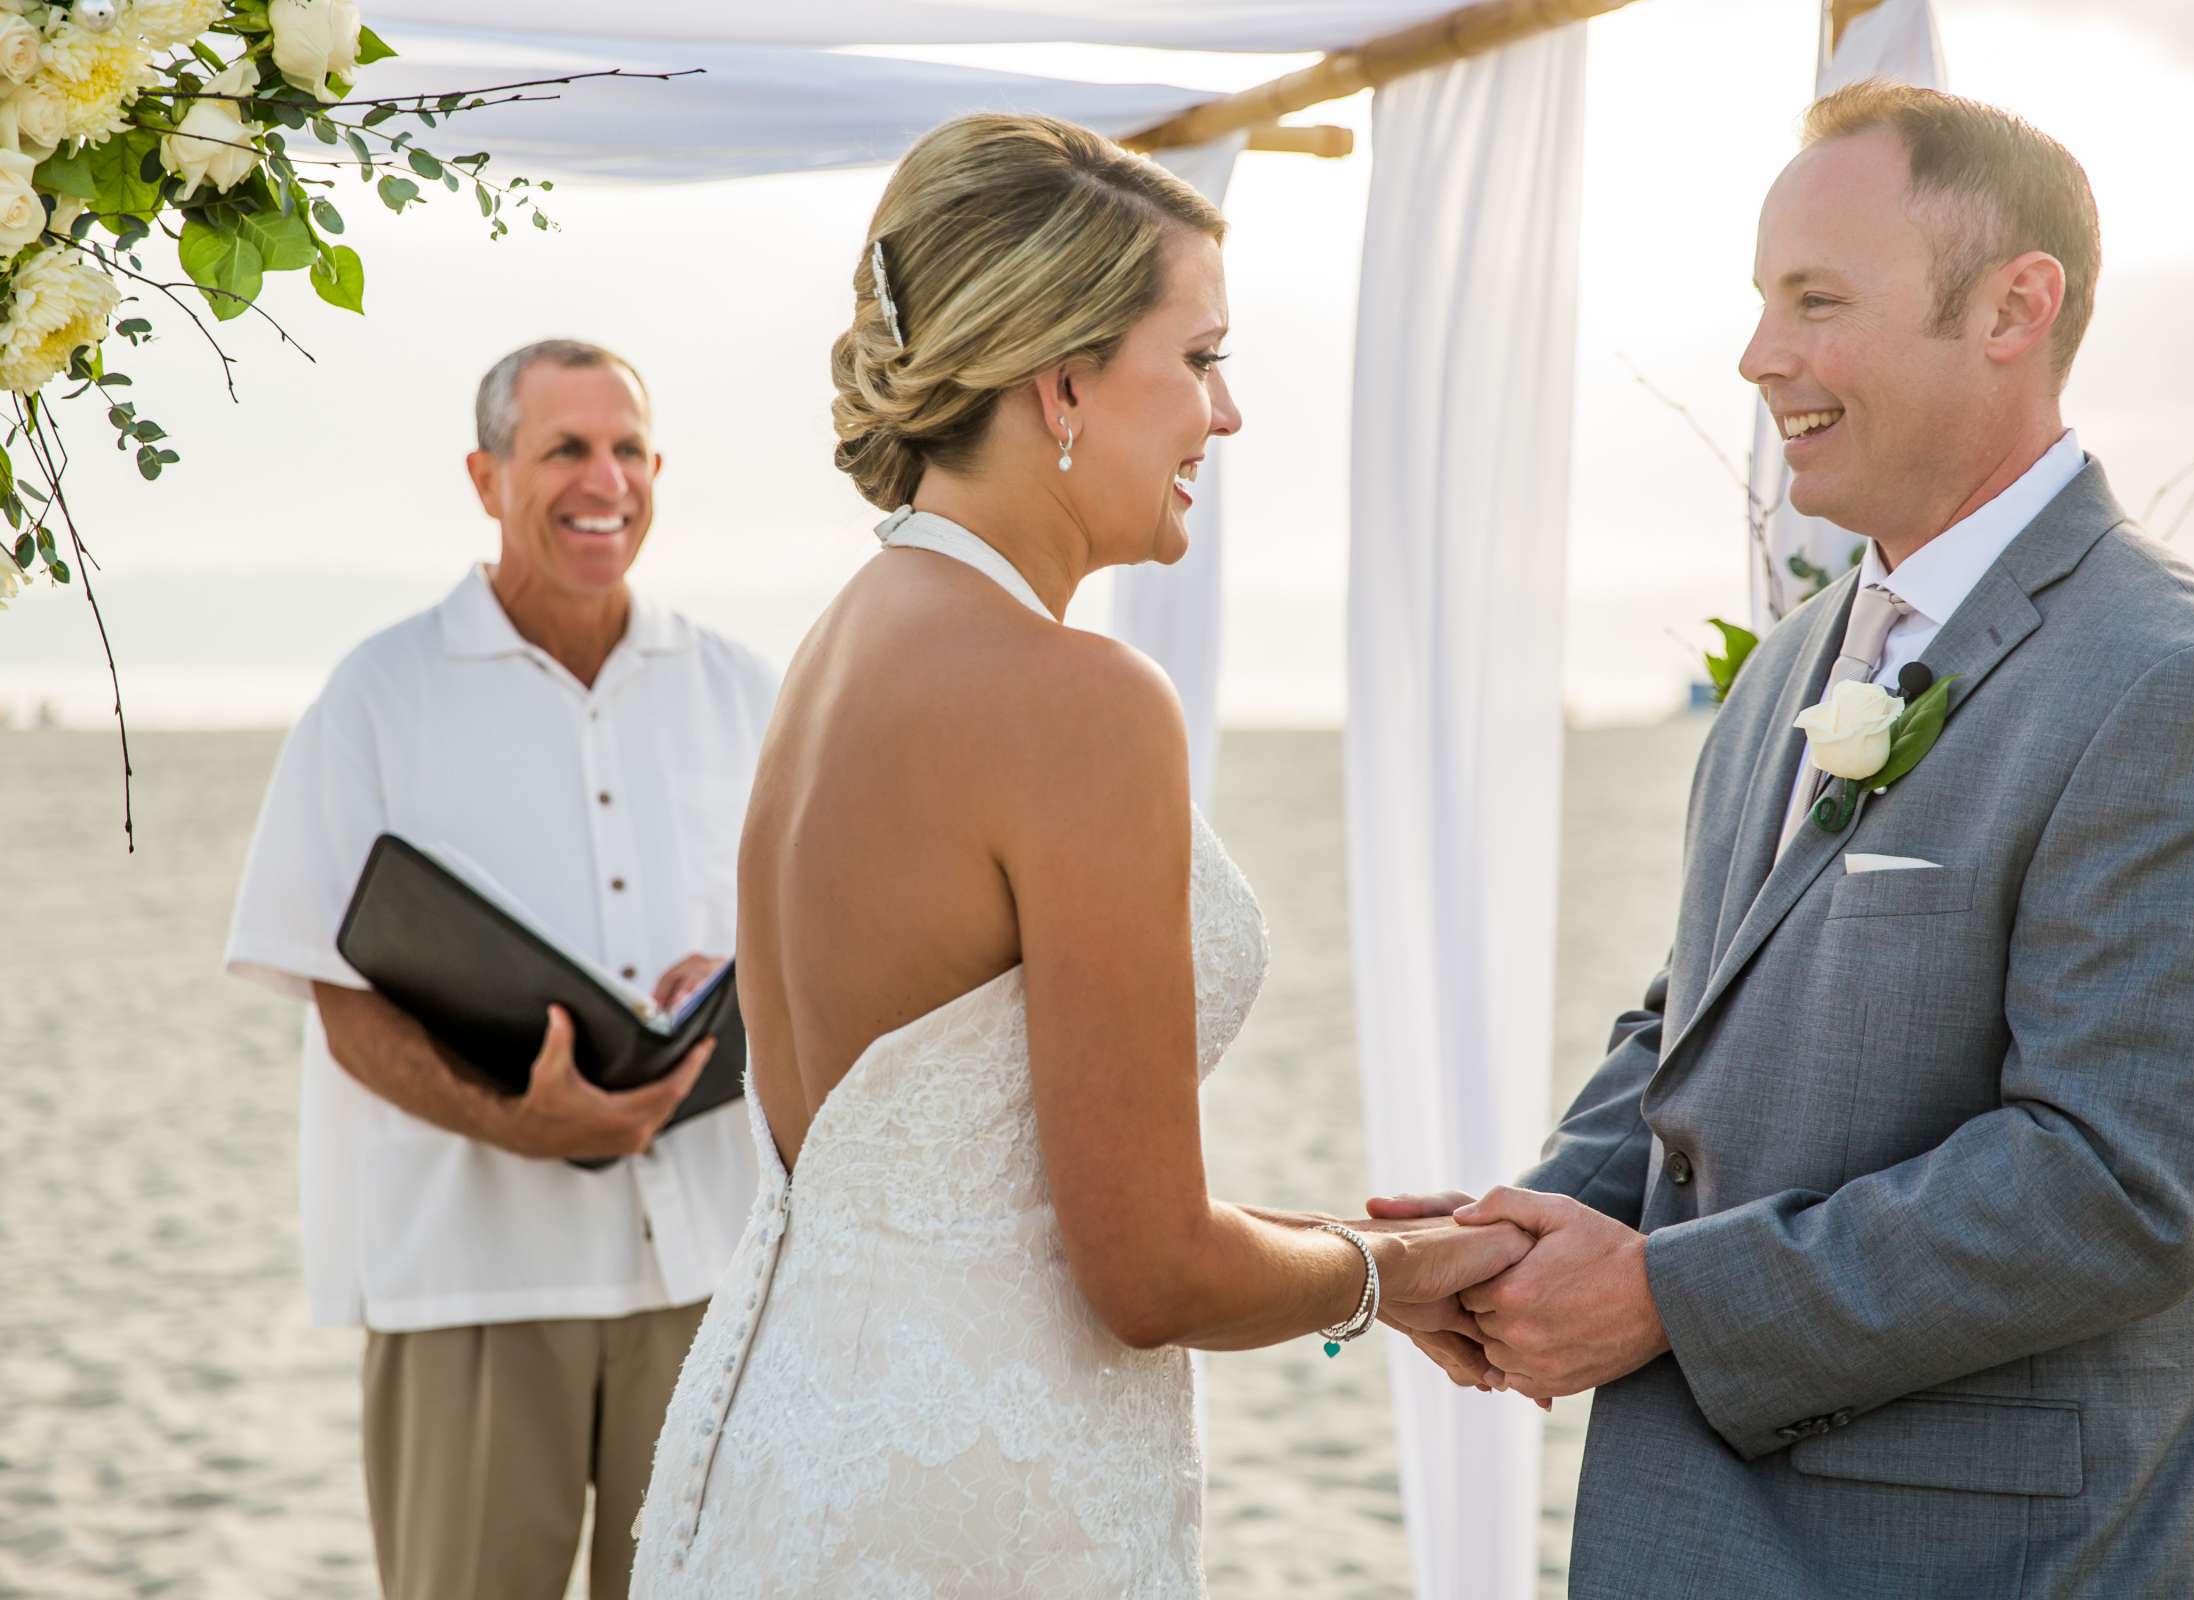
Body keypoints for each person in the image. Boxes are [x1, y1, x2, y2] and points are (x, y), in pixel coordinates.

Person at [1378, 82, 2194, 1598]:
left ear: (2017, 306)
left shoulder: (2178, 689)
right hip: (1704, 1531)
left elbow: (2117, 1184)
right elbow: (1694, 1017)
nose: (1762, 356)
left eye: (1817, 301)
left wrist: (1671, 1301)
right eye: (1764, 303)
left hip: (2001, 1557)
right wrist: (1527, 1234)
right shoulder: (1792, 664)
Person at [627, 114, 1525, 1597]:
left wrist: (1348, 1241)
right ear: (1064, 386)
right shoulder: (1078, 704)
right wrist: (1413, 1271)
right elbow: (1146, 1270)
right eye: (1202, 359)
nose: (1224, 417)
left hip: (774, 1461)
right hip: (966, 1513)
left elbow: (1009, 1197)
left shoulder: (841, 646)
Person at [223, 340, 778, 1600]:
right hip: (474, 1276)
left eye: (630, 448)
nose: (607, 479)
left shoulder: (745, 690)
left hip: (709, 1279)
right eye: (566, 448)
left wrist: (749, 964)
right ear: (486, 476)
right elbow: (335, 990)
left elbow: (828, 941)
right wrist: (512, 1122)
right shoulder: (377, 695)